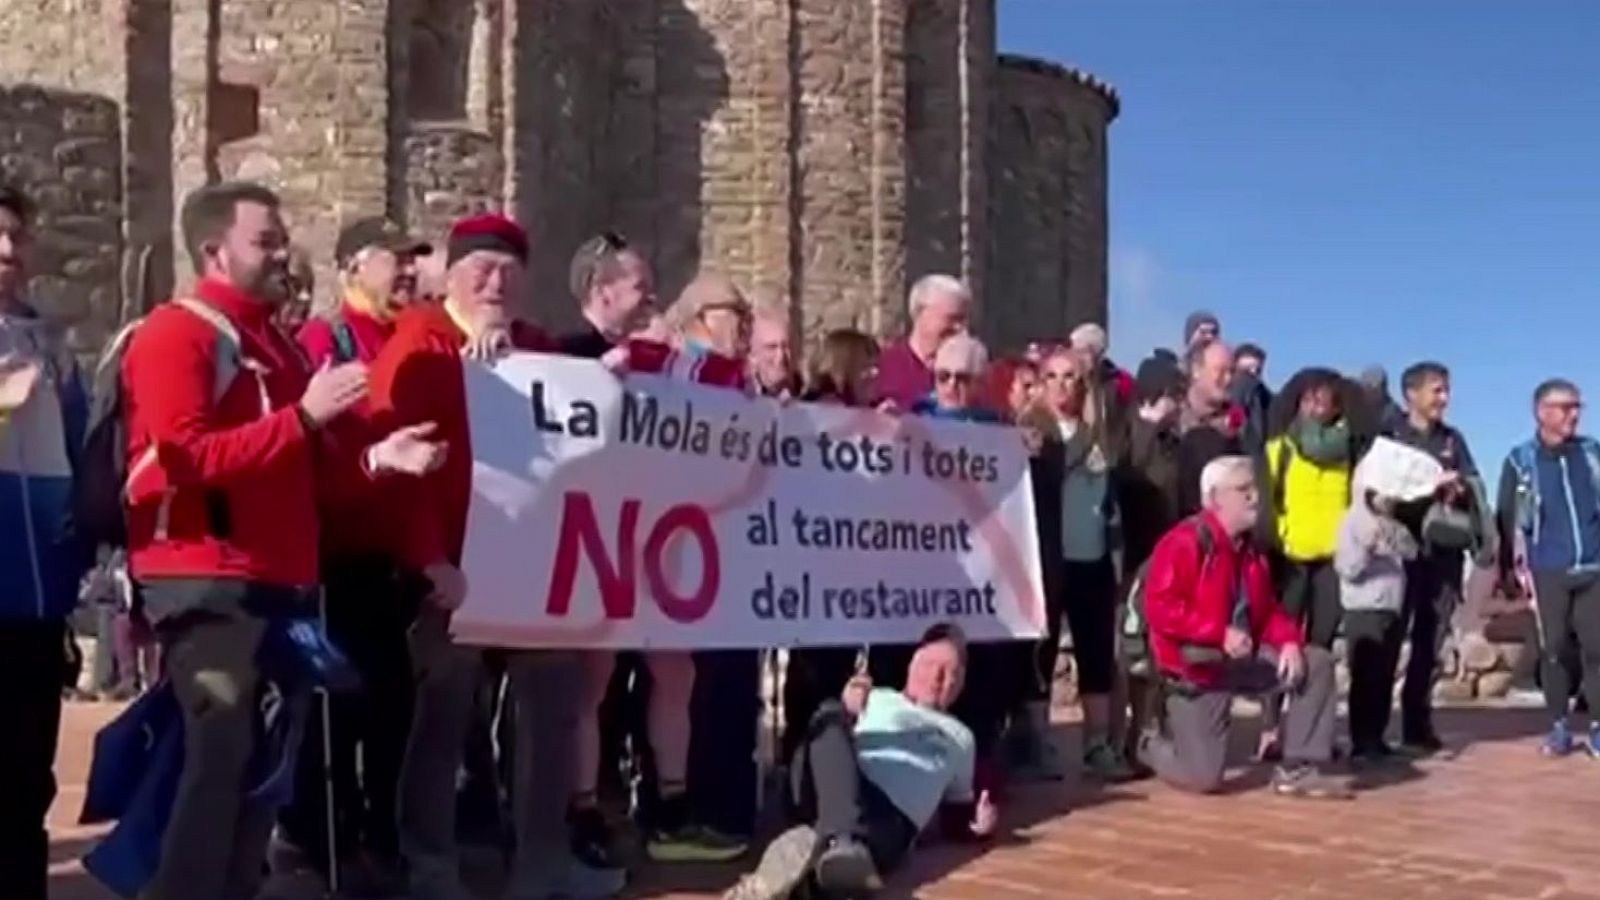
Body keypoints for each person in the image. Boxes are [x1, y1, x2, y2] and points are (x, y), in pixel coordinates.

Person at [120, 181, 441, 900]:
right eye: (264, 241)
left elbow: (308, 478)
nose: (282, 255)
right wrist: (303, 418)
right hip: (208, 580)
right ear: (213, 251)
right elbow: (183, 456)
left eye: (280, 238)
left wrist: (376, 462)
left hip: (284, 585)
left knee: (265, 764)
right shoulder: (178, 333)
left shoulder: (277, 347)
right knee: (221, 756)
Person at [369, 213, 624, 900]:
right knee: (443, 724)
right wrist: (429, 563)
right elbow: (401, 466)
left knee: (551, 711)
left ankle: (542, 864)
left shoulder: (536, 348)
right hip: (449, 572)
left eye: (509, 273)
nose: (495, 283)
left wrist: (617, 381)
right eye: (481, 269)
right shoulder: (419, 345)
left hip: (527, 576)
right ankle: (432, 867)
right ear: (451, 276)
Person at [276, 216, 433, 893]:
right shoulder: (324, 341)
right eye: (390, 260)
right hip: (336, 561)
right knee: (341, 711)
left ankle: (376, 835)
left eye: (409, 261)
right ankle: (322, 842)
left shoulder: (410, 340)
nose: (405, 271)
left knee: (395, 710)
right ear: (350, 270)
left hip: (394, 564)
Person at [723, 625, 996, 900]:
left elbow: (956, 816)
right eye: (929, 664)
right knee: (828, 715)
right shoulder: (876, 697)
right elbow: (827, 744)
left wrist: (977, 826)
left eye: (950, 672)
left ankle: (799, 870)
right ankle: (842, 842)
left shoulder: (961, 738)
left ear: (960, 685)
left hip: (889, 823)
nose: (937, 677)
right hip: (833, 787)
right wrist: (847, 711)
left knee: (838, 872)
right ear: (912, 665)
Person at [1138, 456, 1348, 798]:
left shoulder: (1251, 553)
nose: (1254, 497)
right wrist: (1218, 633)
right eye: (1243, 490)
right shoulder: (1184, 541)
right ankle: (1148, 743)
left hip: (1240, 662)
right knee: (1203, 779)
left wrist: (1290, 642)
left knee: (1317, 663)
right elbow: (1160, 607)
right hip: (1196, 669)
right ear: (1215, 497)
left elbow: (1269, 614)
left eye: (1254, 489)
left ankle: (1298, 769)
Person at [0, 182, 92, 899]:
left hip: (36, 605)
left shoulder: (50, 345)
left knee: (27, 774)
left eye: (16, 237)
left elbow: (81, 457)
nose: (8, 253)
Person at [1019, 346, 1126, 781]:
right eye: (1053, 376)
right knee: (1039, 654)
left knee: (1096, 653)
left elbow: (1109, 502)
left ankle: (1096, 744)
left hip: (1092, 559)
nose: (1062, 386)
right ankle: (1038, 743)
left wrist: (1116, 558)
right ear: (1040, 384)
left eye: (1071, 378)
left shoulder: (1097, 437)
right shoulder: (1028, 434)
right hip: (1044, 560)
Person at [782, 329, 881, 764]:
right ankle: (809, 761)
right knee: (817, 673)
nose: (876, 374)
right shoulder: (820, 413)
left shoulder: (857, 415)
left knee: (828, 668)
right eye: (867, 365)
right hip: (817, 565)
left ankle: (816, 760)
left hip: (839, 565)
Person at [1385, 361, 1493, 754]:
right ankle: (1372, 731)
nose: (1444, 399)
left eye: (1446, 390)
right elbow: (1373, 485)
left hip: (1443, 553)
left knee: (1430, 641)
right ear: (1411, 394)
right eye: (1436, 391)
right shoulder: (1390, 435)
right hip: (1397, 551)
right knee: (1388, 638)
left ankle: (1417, 723)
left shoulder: (1453, 440)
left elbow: (1474, 482)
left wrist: (1458, 487)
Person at [1256, 368, 1359, 760]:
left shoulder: (1347, 452)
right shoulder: (1279, 448)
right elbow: (1268, 502)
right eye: (1309, 399)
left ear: (1337, 406)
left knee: (1320, 649)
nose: (1316, 406)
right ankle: (1269, 729)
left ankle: (1313, 733)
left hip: (1332, 560)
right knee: (1279, 647)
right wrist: (1278, 538)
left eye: (1324, 400)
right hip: (1290, 559)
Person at [1496, 378, 1600, 757]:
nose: (1574, 414)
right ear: (1542, 413)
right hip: (1547, 569)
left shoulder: (1591, 453)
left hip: (1593, 564)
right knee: (1553, 649)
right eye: (1565, 407)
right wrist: (1507, 571)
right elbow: (1506, 516)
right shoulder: (1520, 459)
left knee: (1597, 648)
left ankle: (1598, 728)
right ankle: (1558, 726)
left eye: (1577, 407)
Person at [1337, 454, 1417, 761]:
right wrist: (1368, 549)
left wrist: (1394, 540)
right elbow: (1347, 567)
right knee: (1365, 677)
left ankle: (1377, 736)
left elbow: (1411, 552)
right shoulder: (1353, 522)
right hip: (1363, 608)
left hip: (1391, 608)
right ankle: (1361, 741)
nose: (1391, 500)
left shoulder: (1393, 524)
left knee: (1384, 675)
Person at [873, 274, 970, 409]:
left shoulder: (973, 374)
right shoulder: (883, 368)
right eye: (953, 318)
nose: (960, 328)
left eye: (963, 320)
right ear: (920, 314)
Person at [1176, 340, 1246, 516]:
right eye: (1220, 371)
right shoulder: (1170, 419)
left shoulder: (1241, 428)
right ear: (1196, 371)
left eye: (1232, 372)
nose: (1228, 379)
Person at [748, 297, 798, 398]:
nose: (781, 356)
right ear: (752, 355)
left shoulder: (811, 398)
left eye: (786, 346)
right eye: (771, 347)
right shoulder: (733, 395)